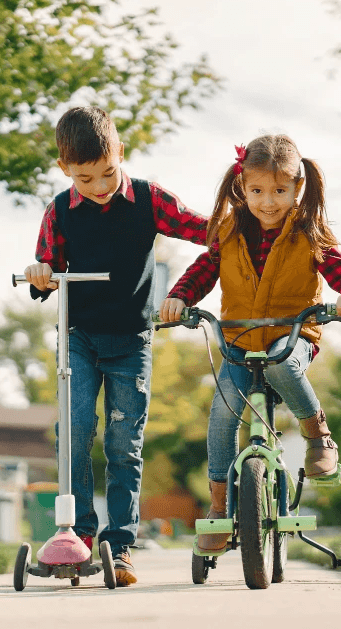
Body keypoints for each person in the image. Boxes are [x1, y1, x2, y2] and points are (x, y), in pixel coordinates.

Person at [159, 135, 341, 552]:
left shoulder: (310, 232)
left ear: (297, 189)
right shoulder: (228, 230)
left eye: (279, 190)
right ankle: (219, 508)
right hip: (238, 341)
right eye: (257, 191)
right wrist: (179, 298)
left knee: (281, 364)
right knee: (221, 413)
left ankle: (318, 437)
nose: (268, 201)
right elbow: (203, 270)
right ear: (242, 187)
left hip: (293, 338)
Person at [24, 106, 208, 585]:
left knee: (124, 444)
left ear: (120, 153)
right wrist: (40, 274)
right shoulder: (60, 210)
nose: (100, 186)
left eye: (108, 173)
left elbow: (200, 228)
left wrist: (248, 227)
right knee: (76, 434)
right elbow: (46, 270)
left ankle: (120, 545)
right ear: (66, 169)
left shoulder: (148, 199)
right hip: (79, 339)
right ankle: (79, 536)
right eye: (86, 179)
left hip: (130, 341)